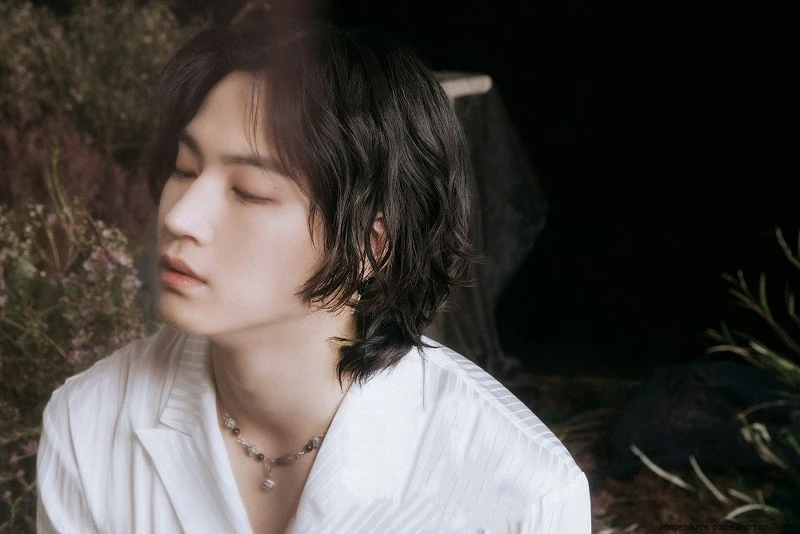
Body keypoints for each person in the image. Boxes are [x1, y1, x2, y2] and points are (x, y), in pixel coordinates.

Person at [36, 21, 590, 534]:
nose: (179, 216)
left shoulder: (520, 492)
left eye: (249, 191)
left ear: (370, 246)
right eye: (185, 169)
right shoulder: (89, 424)